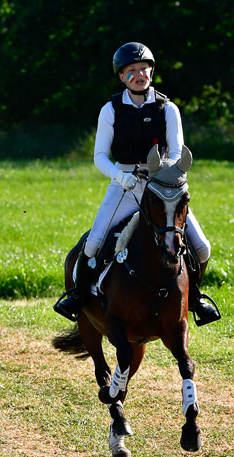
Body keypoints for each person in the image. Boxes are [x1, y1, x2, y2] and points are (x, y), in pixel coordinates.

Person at [54, 41, 221, 326]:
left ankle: (195, 299)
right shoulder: (111, 109)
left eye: (144, 68)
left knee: (202, 247)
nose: (139, 74)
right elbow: (99, 157)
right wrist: (121, 177)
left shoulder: (168, 108)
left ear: (151, 72)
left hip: (163, 188)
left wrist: (164, 174)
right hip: (125, 184)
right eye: (132, 70)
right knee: (93, 244)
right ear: (121, 76)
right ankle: (78, 296)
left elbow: (176, 151)